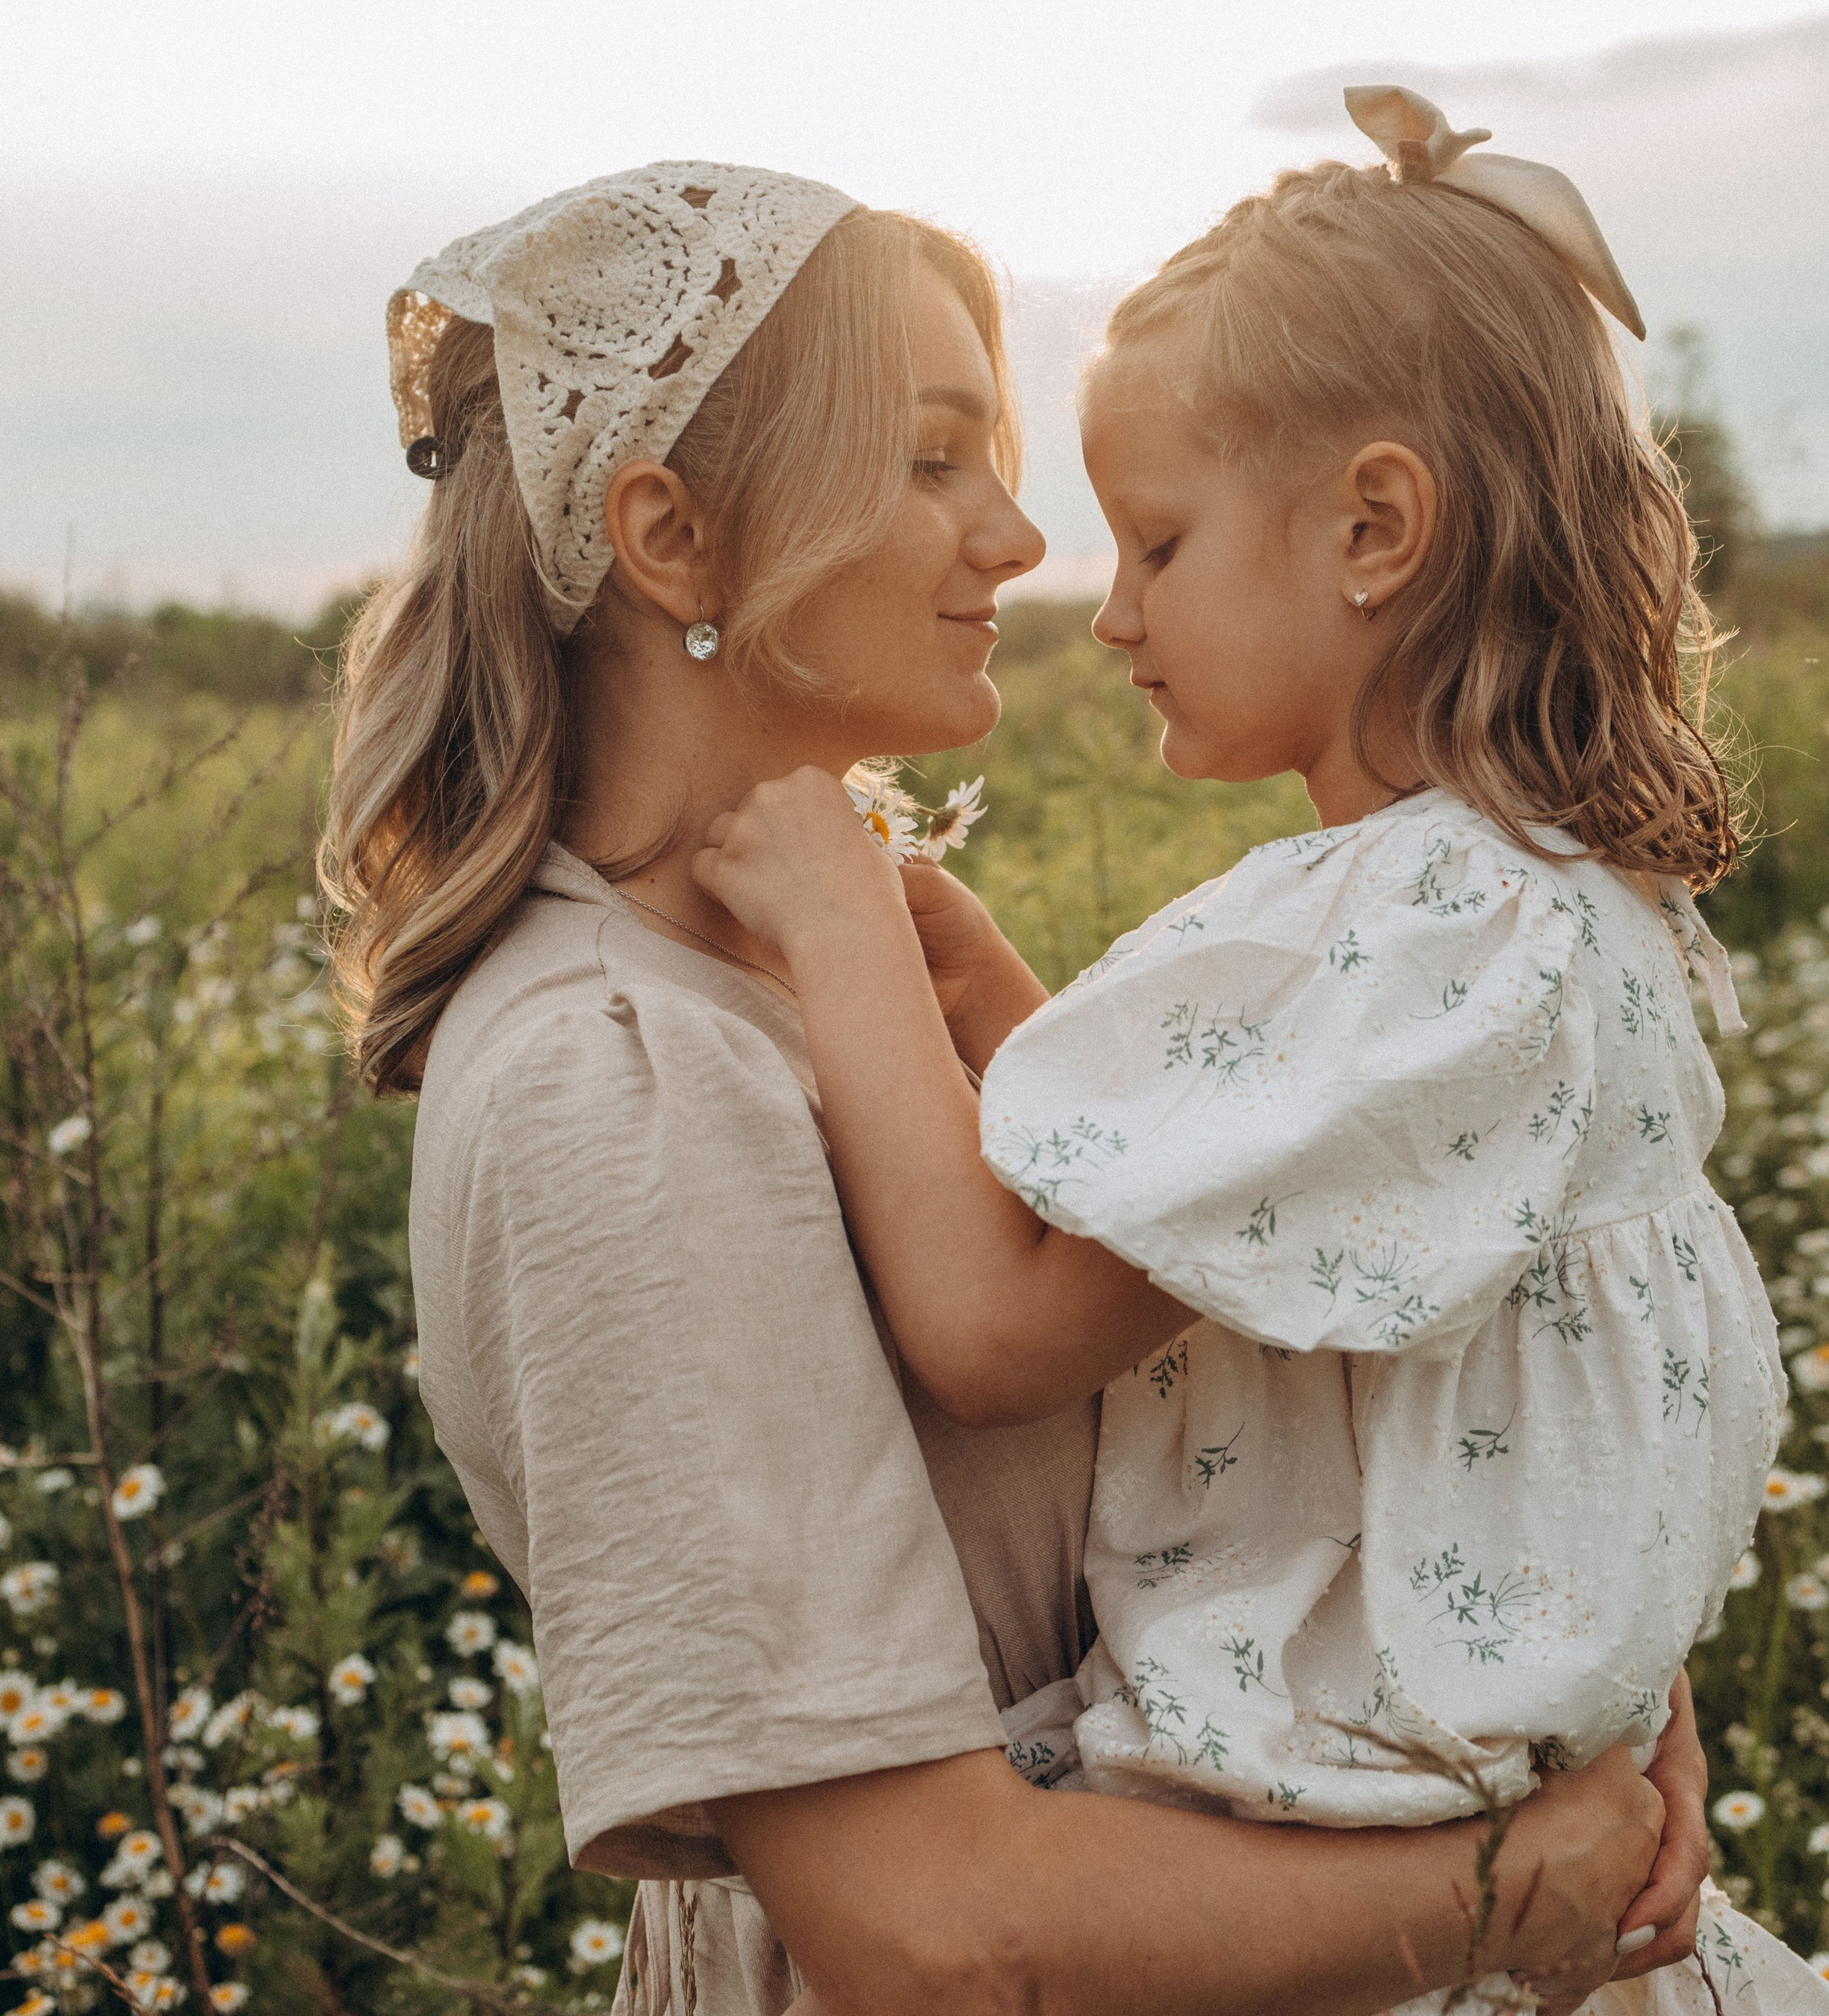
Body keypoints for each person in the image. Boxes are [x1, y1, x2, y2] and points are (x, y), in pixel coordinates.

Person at [325, 157, 1703, 2016]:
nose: (1019, 541)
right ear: (673, 541)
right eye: (929, 457)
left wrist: (1570, 1664)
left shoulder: (826, 967)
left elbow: (1332, 1328)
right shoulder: (613, 1077)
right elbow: (935, 1934)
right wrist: (1511, 1876)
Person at [692, 99, 1802, 2012]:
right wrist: (982, 998)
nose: (1110, 611)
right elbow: (1283, 1246)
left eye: (1162, 541)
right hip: (1518, 1828)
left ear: (1373, 529)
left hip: (1327, 1871)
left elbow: (992, 1325)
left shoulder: (1391, 927)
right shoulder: (1559, 919)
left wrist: (835, 924)